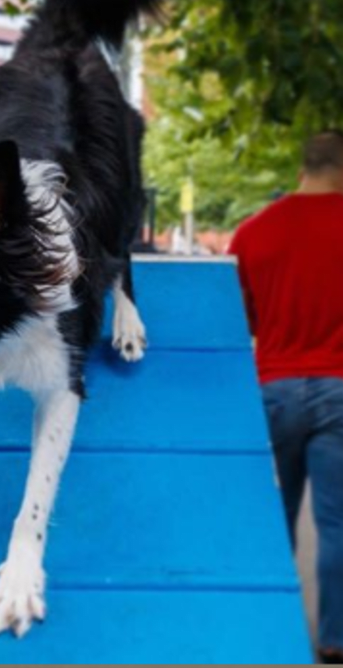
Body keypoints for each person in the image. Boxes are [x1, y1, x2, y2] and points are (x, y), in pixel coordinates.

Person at [230, 130, 343, 664]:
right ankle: (334, 638)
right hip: (341, 389)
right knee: (337, 524)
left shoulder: (254, 233)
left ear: (303, 168)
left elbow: (242, 318)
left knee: (273, 516)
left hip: (273, 385)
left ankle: (266, 633)